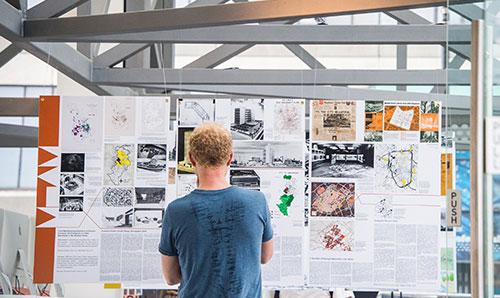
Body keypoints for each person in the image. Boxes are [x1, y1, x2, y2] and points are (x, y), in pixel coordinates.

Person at [159, 122, 274, 298]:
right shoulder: (256, 202)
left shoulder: (176, 211)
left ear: (191, 158)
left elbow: (171, 277)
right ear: (230, 158)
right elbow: (265, 257)